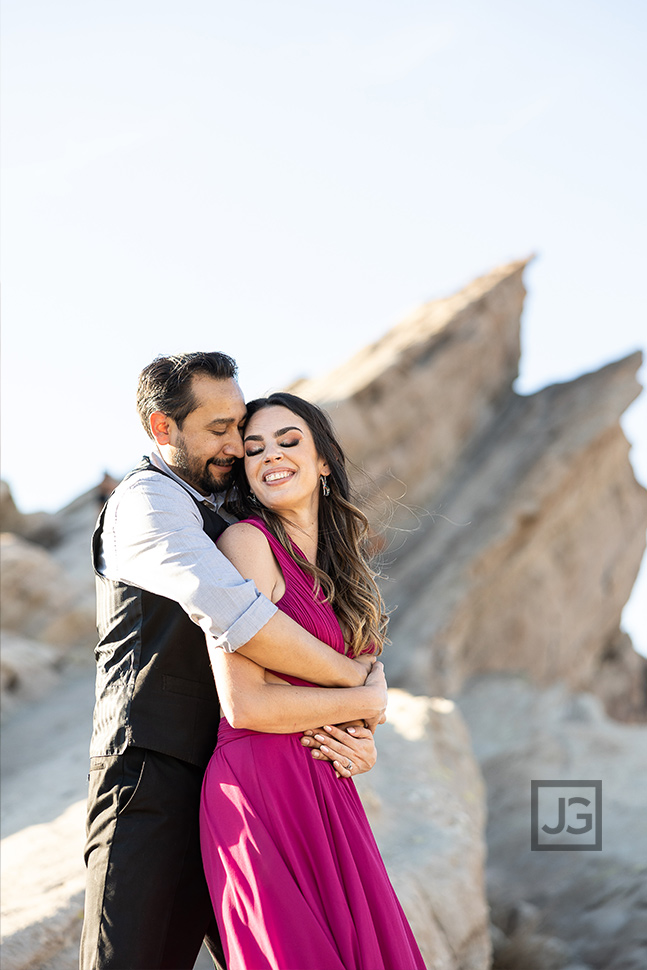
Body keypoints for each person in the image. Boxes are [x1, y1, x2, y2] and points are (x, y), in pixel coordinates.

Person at [81, 353, 388, 970]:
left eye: (237, 426)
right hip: (153, 771)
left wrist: (356, 731)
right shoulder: (148, 503)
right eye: (219, 429)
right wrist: (359, 686)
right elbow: (236, 615)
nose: (234, 444)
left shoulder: (237, 514)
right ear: (162, 428)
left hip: (241, 773)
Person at [200, 392, 426, 970]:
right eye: (254, 449)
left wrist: (362, 738)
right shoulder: (246, 544)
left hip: (328, 788)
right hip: (263, 789)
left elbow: (352, 711)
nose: (270, 455)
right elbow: (243, 703)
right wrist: (365, 698)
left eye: (288, 441)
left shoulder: (345, 570)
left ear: (324, 460)